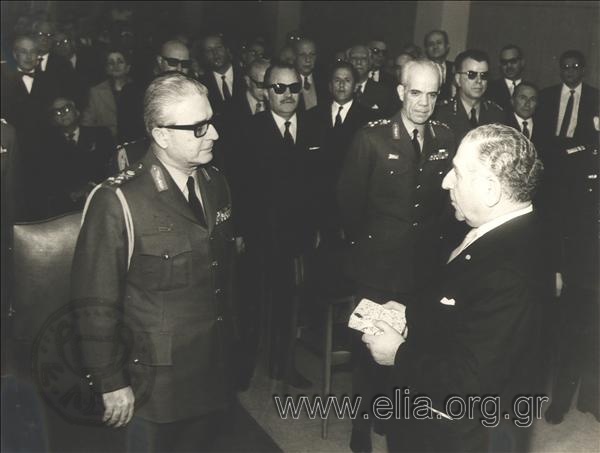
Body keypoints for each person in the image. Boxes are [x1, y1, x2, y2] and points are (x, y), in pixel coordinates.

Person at [71, 73, 237, 453]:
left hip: (211, 370)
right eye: (198, 128)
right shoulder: (119, 201)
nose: (213, 135)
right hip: (154, 384)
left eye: (210, 122)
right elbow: (94, 302)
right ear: (161, 135)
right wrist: (111, 381)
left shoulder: (215, 183)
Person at [364, 123, 546, 453]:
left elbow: (470, 382)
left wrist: (398, 354)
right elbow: (470, 316)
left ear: (490, 190)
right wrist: (411, 314)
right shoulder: (503, 231)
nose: (446, 181)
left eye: (458, 173)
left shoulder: (509, 271)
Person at [337, 59, 456, 453]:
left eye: (432, 94)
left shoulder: (444, 137)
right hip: (377, 267)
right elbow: (349, 207)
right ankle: (359, 426)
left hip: (421, 269)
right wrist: (372, 251)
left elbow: (443, 207)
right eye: (416, 92)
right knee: (369, 350)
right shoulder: (371, 139)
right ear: (401, 92)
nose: (423, 103)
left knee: (407, 348)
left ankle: (389, 416)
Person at [244, 62, 322, 389]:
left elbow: (321, 184)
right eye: (279, 88)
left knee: (289, 306)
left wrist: (317, 228)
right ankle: (242, 368)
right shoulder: (249, 130)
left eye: (294, 88)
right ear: (266, 90)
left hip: (297, 237)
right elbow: (240, 186)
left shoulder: (314, 128)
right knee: (251, 305)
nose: (288, 95)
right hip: (258, 236)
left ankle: (282, 365)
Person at [46, 96, 114, 216]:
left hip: (100, 200)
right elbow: (51, 178)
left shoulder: (100, 135)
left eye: (66, 109)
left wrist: (91, 185)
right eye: (57, 112)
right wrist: (69, 194)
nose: (62, 114)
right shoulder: (49, 146)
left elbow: (109, 165)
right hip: (66, 209)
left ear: (76, 111)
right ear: (53, 119)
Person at [435, 49, 504, 143]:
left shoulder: (496, 114)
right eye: (472, 75)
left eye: (484, 75)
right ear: (458, 79)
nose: (479, 81)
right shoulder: (440, 114)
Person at [81, 48, 144, 142]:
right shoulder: (96, 92)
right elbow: (87, 122)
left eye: (120, 62)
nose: (115, 66)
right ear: (106, 69)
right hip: (106, 144)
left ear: (128, 67)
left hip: (134, 142)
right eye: (111, 62)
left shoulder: (139, 90)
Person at [199, 33, 245, 115]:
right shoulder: (202, 85)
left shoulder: (245, 75)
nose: (215, 53)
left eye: (219, 47)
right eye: (209, 50)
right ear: (204, 56)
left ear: (227, 49)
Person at [347, 44, 397, 116]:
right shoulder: (338, 90)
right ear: (348, 61)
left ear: (370, 62)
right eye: (354, 58)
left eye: (363, 59)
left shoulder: (384, 92)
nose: (358, 62)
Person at [487, 44, 526, 111]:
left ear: (522, 62)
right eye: (504, 62)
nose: (509, 66)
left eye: (513, 61)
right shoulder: (489, 89)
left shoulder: (531, 88)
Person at [294, 37, 326, 111]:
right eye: (302, 55)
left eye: (312, 55)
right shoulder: (289, 81)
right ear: (295, 57)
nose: (308, 59)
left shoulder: (324, 81)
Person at [424, 30, 454, 101]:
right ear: (426, 49)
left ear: (447, 46)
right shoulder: (421, 69)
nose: (435, 47)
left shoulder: (456, 68)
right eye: (431, 44)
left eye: (439, 43)